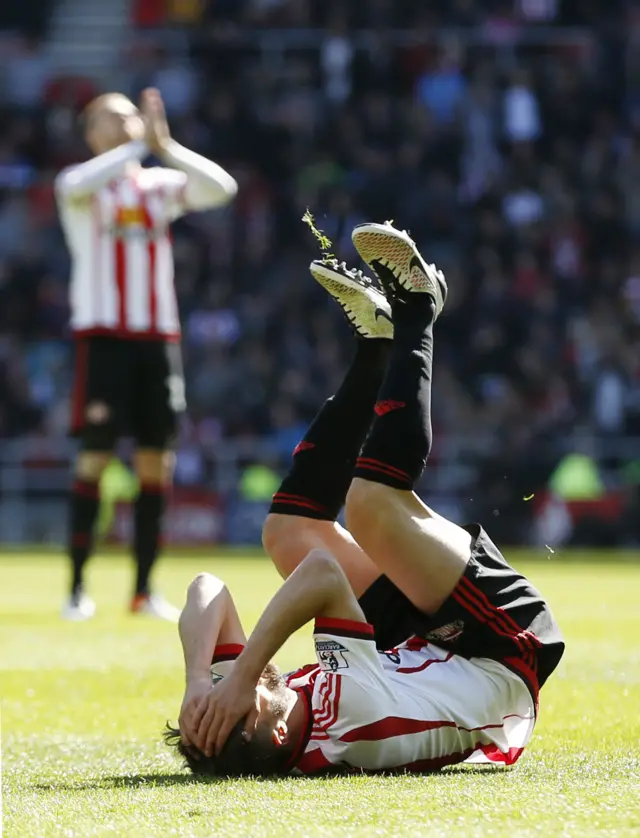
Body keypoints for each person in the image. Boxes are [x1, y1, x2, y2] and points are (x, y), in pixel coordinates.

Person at [166, 222, 564, 775]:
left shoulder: (254, 721)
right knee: (372, 507)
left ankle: (375, 348)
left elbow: (206, 589)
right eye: (245, 697)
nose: (246, 682)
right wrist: (238, 676)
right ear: (278, 730)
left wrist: (198, 685)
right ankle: (418, 307)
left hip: (414, 651)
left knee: (287, 535)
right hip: (499, 649)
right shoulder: (353, 722)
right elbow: (322, 575)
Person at [56, 89, 238, 621]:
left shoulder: (155, 186)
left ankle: (142, 589)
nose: (127, 122)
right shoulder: (82, 187)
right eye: (114, 116)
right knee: (94, 458)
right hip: (104, 337)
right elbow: (75, 181)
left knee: (157, 464)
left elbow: (221, 188)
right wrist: (139, 146)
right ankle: (75, 587)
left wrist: (169, 147)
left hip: (158, 339)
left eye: (130, 115)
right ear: (92, 132)